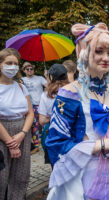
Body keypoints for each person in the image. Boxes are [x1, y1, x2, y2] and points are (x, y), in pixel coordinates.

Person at [45, 22, 109, 200]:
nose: (106, 58)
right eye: (99, 51)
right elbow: (56, 143)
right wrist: (102, 145)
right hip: (85, 175)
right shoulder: (70, 93)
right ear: (84, 53)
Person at [0, 48, 34, 200]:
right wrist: (10, 142)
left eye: (15, 63)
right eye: (8, 63)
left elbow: (30, 112)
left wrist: (23, 134)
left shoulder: (21, 86)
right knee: (2, 177)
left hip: (22, 133)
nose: (12, 66)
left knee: (21, 176)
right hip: (2, 133)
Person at [38, 64, 69, 165]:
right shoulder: (74, 91)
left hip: (52, 133)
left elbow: (42, 120)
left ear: (51, 77)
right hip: (71, 133)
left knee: (55, 164)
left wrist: (51, 117)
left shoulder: (46, 94)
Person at [22, 61, 47, 153]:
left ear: (33, 69)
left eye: (31, 69)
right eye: (27, 69)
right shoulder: (22, 80)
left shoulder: (40, 78)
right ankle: (36, 145)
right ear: (24, 70)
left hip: (41, 105)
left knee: (44, 124)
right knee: (34, 125)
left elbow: (49, 86)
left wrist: (47, 76)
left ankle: (46, 143)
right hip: (29, 106)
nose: (29, 70)